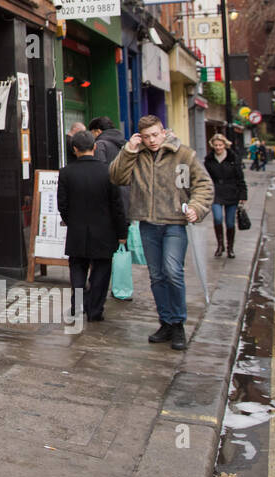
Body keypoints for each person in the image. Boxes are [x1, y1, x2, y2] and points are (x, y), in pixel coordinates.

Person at [109, 115, 214, 350]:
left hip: (174, 223)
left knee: (172, 271)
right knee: (156, 276)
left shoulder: (183, 155)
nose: (151, 140)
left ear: (163, 132)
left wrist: (196, 207)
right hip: (147, 224)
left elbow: (203, 185)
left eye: (155, 135)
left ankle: (178, 324)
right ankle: (165, 322)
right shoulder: (136, 156)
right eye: (146, 136)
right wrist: (128, 150)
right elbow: (116, 177)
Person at [57, 130, 128, 323]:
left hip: (77, 231)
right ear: (95, 147)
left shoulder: (66, 172)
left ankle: (78, 305)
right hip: (105, 232)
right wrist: (122, 232)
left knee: (77, 268)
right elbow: (117, 206)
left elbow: (61, 205)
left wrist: (73, 221)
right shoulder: (108, 171)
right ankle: (95, 310)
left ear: (75, 149)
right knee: (101, 272)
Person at [204, 134, 247, 259]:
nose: (218, 148)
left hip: (232, 192)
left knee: (229, 222)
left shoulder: (233, 158)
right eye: (216, 145)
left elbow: (240, 177)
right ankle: (220, 246)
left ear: (225, 145)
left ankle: (230, 248)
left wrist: (243, 194)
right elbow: (206, 178)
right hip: (216, 193)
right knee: (217, 218)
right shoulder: (209, 159)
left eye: (220, 145)